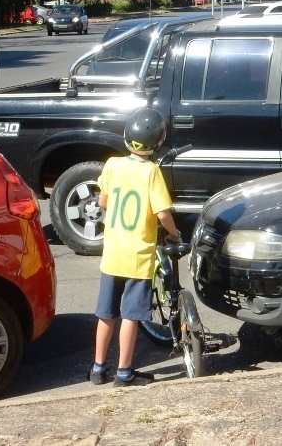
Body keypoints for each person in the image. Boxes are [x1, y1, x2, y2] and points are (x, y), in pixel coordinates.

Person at [91, 108, 182, 387]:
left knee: (106, 313)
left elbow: (103, 202)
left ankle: (97, 369)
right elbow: (163, 213)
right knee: (131, 315)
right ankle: (124, 372)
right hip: (137, 255)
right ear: (157, 142)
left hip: (113, 252)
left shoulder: (113, 165)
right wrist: (174, 234)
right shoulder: (151, 172)